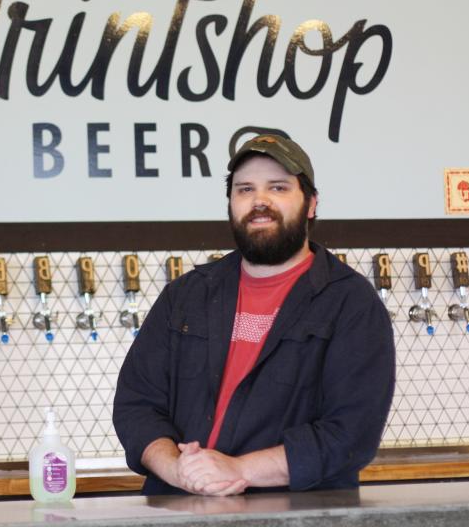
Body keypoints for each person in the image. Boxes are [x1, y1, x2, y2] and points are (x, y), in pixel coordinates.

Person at [113, 134, 396, 495]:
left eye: (277, 187)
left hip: (297, 516)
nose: (259, 201)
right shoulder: (186, 295)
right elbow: (136, 403)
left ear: (311, 203)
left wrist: (236, 469)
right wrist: (179, 470)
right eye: (245, 190)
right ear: (231, 204)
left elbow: (351, 433)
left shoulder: (351, 303)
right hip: (179, 508)